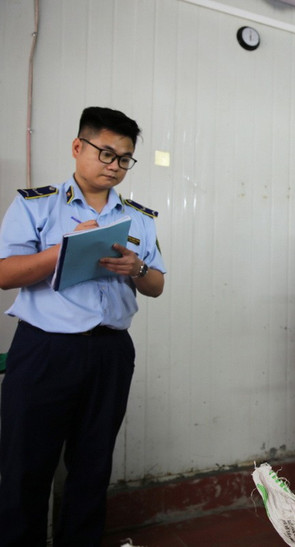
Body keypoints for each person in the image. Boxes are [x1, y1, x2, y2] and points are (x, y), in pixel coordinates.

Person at [0, 106, 166, 546]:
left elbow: (157, 286)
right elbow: (4, 274)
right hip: (45, 351)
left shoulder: (138, 219)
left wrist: (137, 266)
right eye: (106, 154)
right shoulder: (36, 205)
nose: (114, 166)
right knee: (25, 466)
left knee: (93, 465)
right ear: (79, 147)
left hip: (109, 353)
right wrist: (61, 251)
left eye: (125, 159)